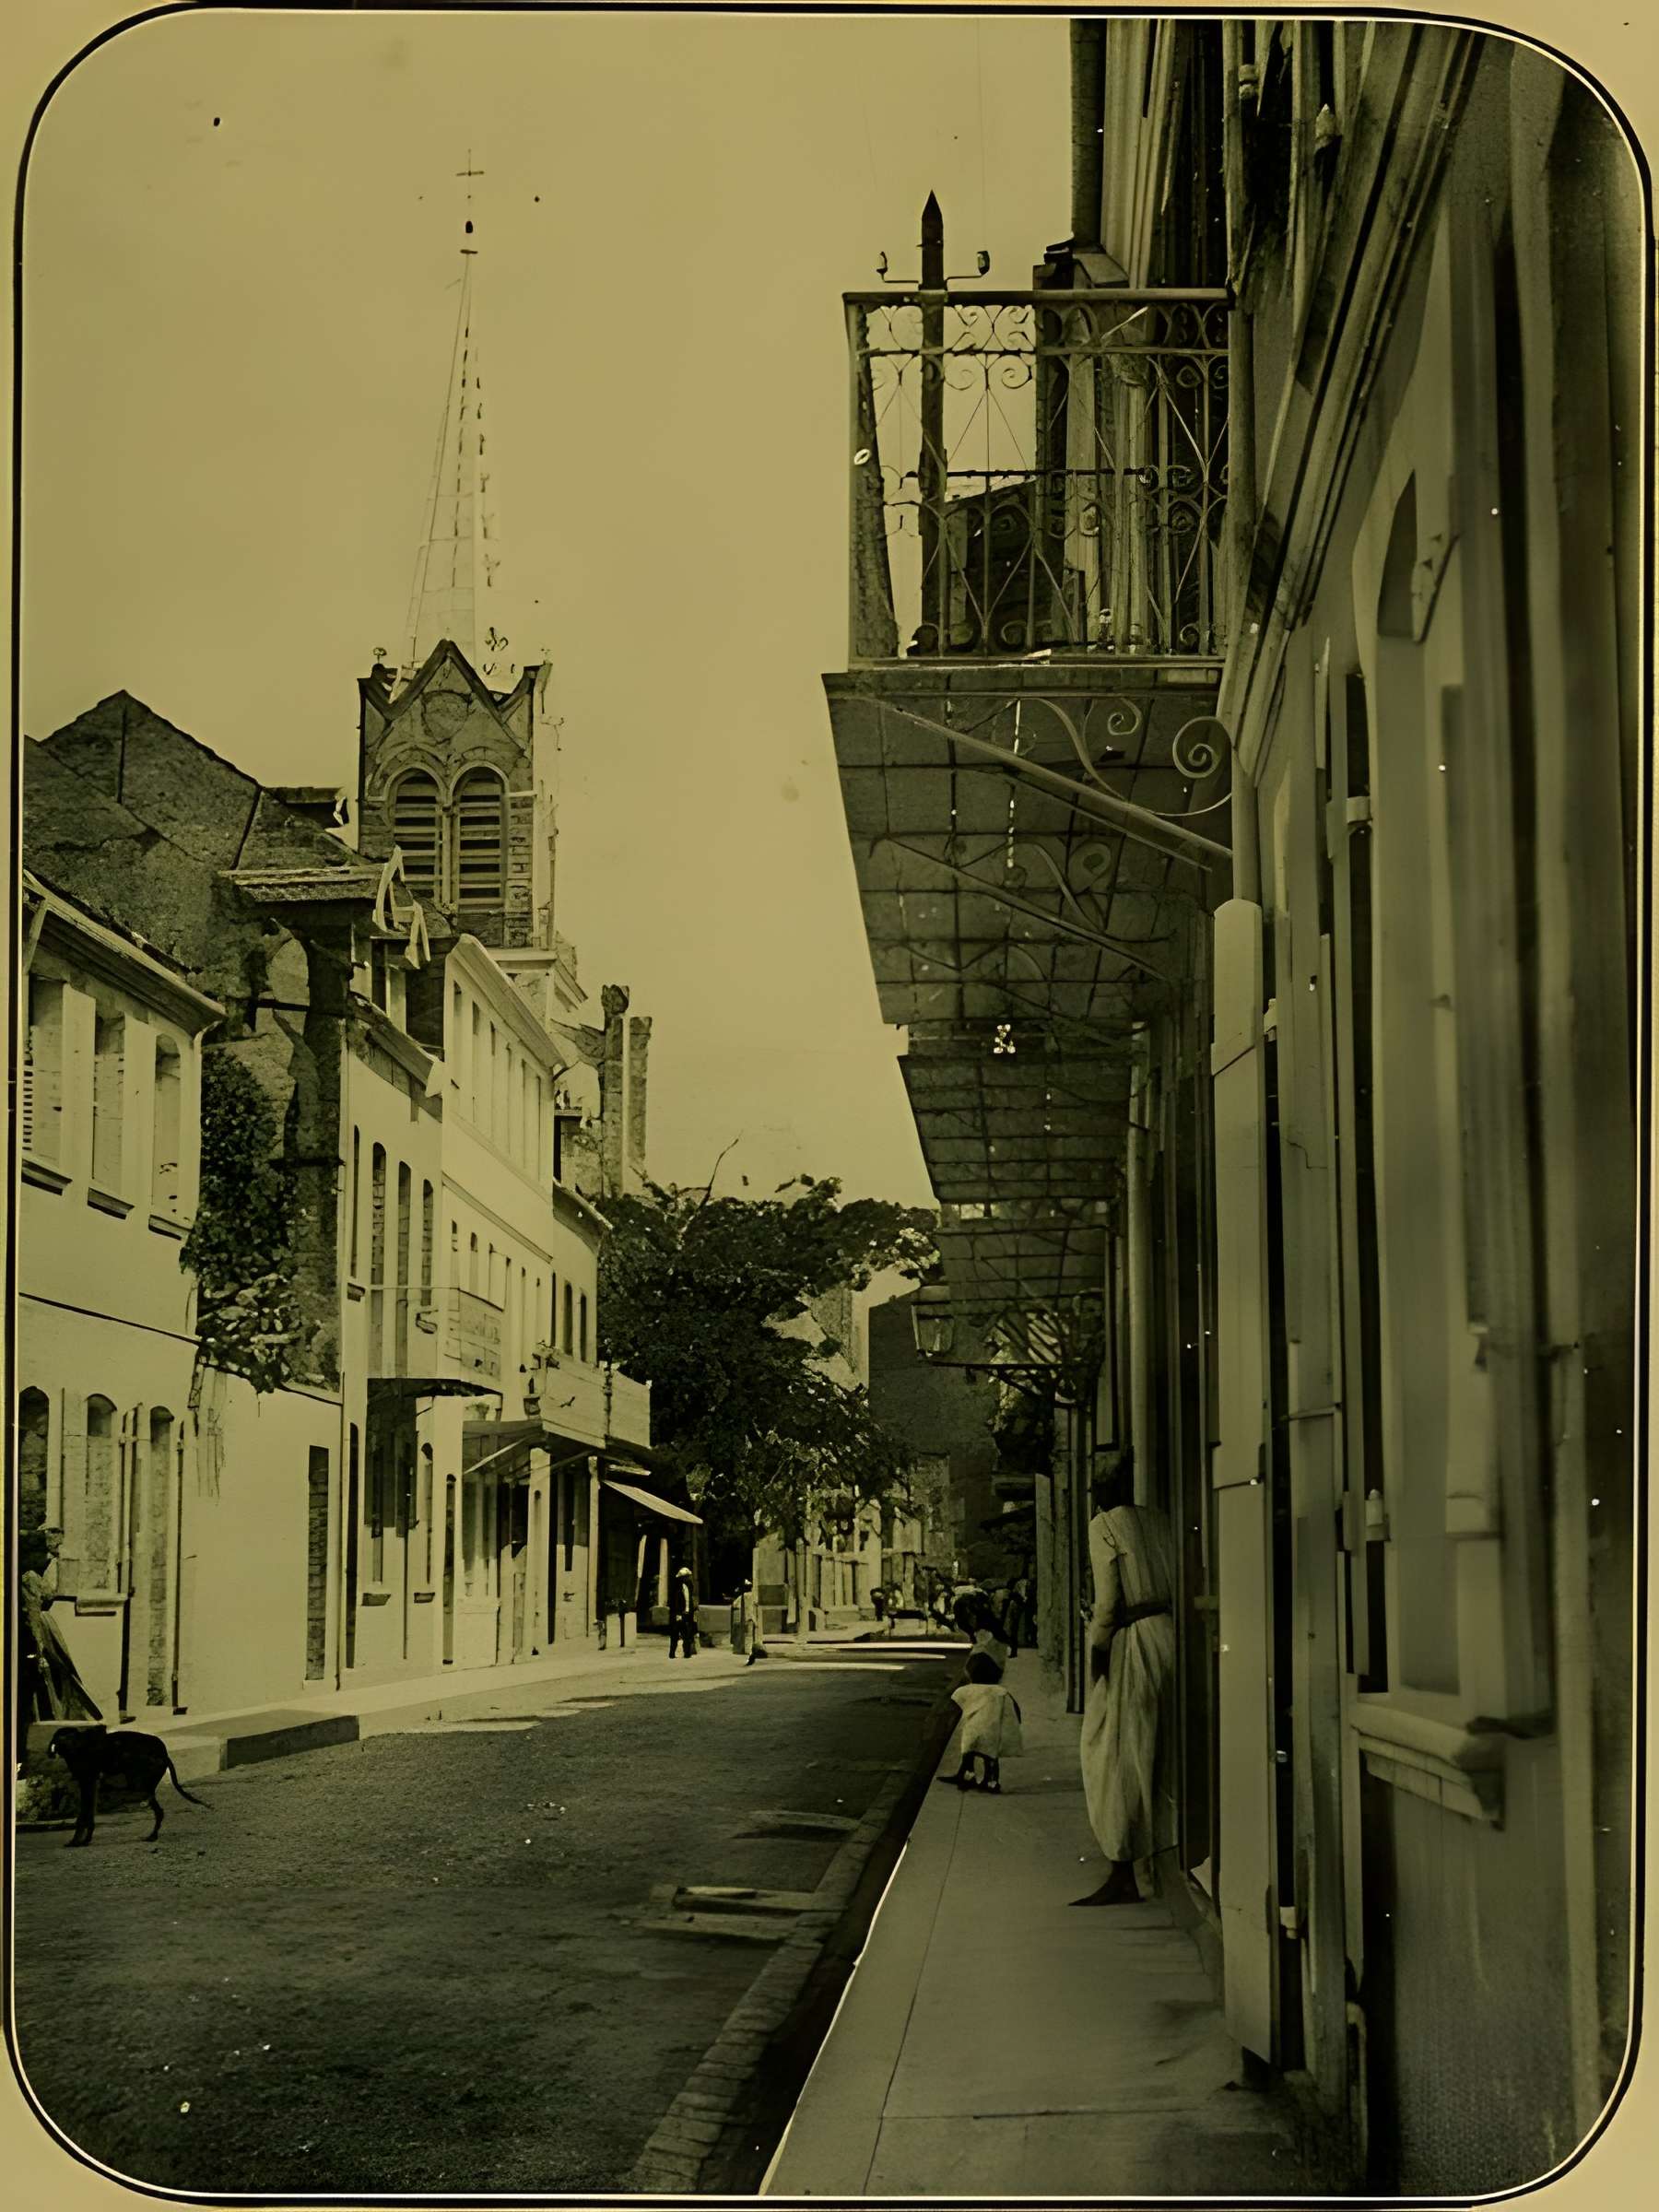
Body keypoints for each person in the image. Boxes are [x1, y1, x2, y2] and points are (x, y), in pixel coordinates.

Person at [1072, 1452, 1178, 1906]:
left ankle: (1124, 1867)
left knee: (1112, 1754)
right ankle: (1154, 1859)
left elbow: (1108, 1603)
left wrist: (1098, 1649)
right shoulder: (1158, 1521)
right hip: (1170, 1636)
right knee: (1159, 1752)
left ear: (1103, 1490)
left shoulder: (1104, 1526)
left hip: (1134, 1642)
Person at [20, 1527, 100, 1729]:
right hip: (40, 1627)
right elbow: (34, 1612)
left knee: (59, 1672)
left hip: (44, 1625)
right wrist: (39, 1648)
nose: (50, 1557)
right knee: (53, 1672)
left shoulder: (33, 1575)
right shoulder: (29, 1577)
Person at [938, 1651, 1024, 1793]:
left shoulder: (965, 1691)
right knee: (991, 1757)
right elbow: (1014, 1709)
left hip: (972, 1730)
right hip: (992, 1731)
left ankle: (968, 1775)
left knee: (968, 1754)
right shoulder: (1000, 1691)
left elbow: (952, 1708)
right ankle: (992, 1782)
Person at [667, 1564, 699, 1659]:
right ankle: (672, 1653)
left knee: (687, 1635)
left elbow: (689, 1600)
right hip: (678, 1614)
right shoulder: (676, 1588)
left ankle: (687, 1653)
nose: (689, 1578)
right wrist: (677, 1614)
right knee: (675, 1635)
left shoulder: (689, 1587)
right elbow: (674, 1602)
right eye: (687, 1577)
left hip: (687, 1614)